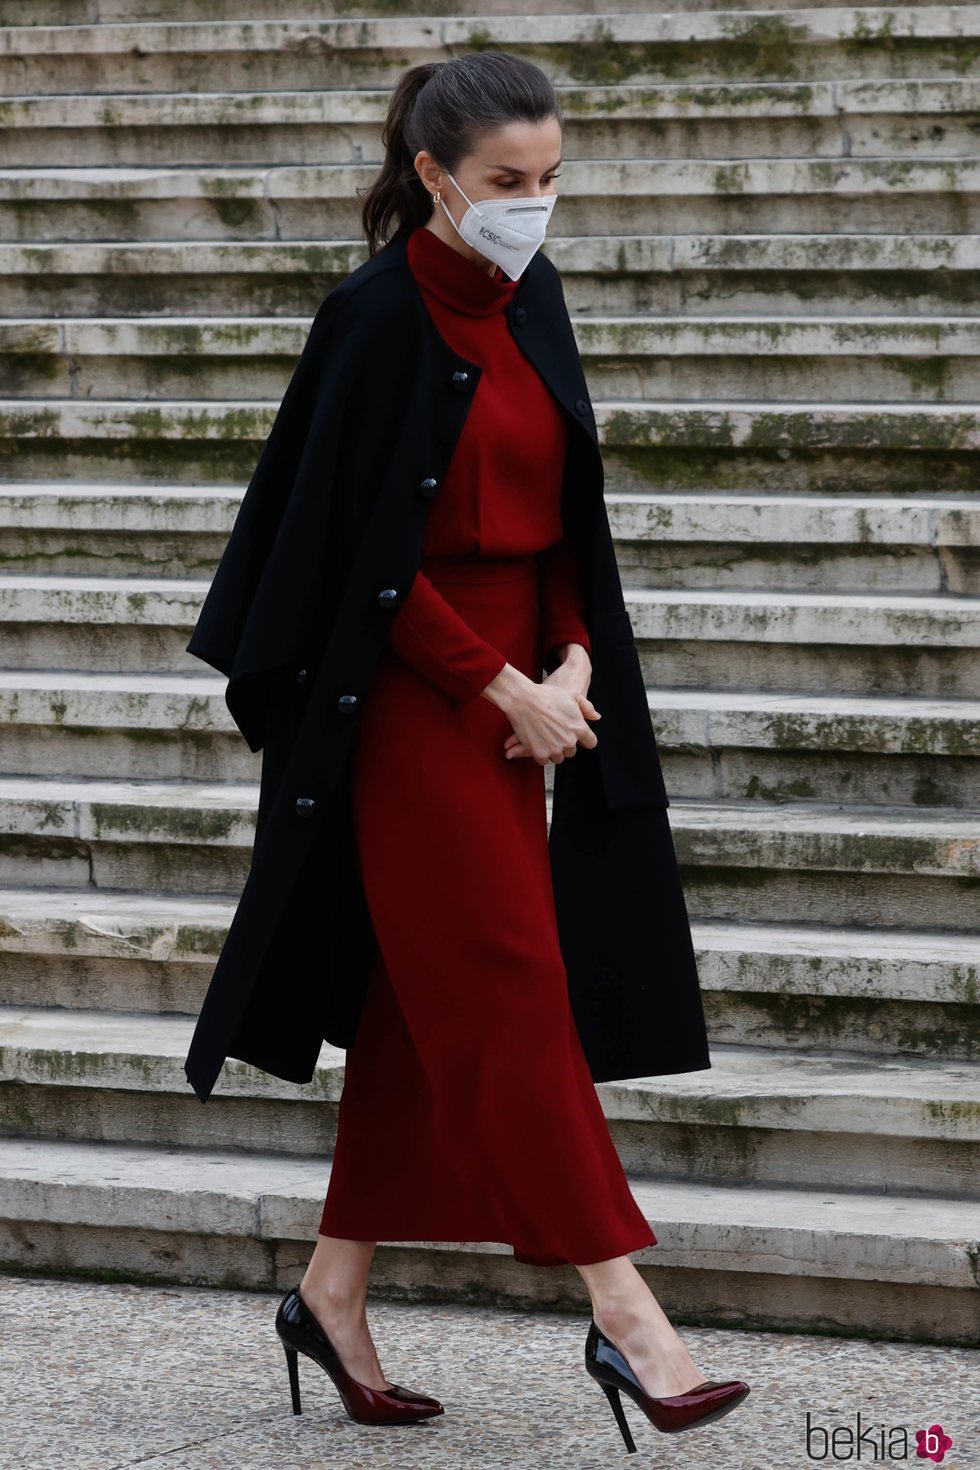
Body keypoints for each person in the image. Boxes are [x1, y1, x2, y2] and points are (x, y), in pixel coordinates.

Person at [268, 50, 750, 1451]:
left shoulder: (533, 298)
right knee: (509, 980)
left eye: (550, 182)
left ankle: (329, 1294)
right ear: (432, 177)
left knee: (426, 1020)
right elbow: (348, 560)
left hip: (529, 680)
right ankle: (629, 1315)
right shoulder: (369, 319)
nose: (533, 207)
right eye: (505, 185)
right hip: (407, 707)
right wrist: (499, 688)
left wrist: (576, 660)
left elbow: (561, 511)